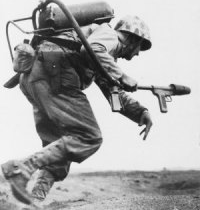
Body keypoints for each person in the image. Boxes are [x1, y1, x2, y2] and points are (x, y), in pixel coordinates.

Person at [1, 14, 153, 205]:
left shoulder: (103, 53)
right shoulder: (111, 35)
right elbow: (94, 50)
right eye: (140, 46)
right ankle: (21, 168)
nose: (137, 53)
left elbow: (110, 90)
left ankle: (33, 201)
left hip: (35, 78)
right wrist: (122, 76)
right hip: (56, 74)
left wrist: (140, 112)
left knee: (60, 149)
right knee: (88, 136)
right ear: (132, 38)